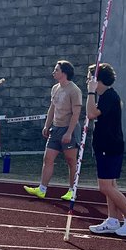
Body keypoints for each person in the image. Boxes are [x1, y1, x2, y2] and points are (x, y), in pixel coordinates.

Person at [85, 63, 126, 236]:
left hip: (109, 147)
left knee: (105, 187)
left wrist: (90, 92)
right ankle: (112, 220)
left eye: (89, 77)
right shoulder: (105, 96)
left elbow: (91, 114)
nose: (87, 80)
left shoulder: (109, 96)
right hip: (105, 146)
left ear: (98, 80)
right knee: (110, 185)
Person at [24, 60, 82, 202]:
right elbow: (52, 108)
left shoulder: (74, 90)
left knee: (71, 160)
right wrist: (46, 125)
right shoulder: (55, 88)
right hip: (55, 128)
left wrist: (69, 132)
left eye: (56, 70)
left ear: (64, 73)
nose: (53, 72)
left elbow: (76, 113)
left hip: (69, 129)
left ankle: (71, 190)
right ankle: (42, 189)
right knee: (48, 158)